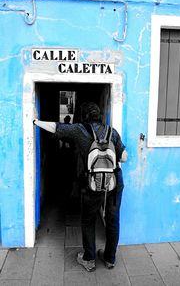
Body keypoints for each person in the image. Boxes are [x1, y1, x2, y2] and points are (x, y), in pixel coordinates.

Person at [33, 102, 127, 272]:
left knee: (88, 220)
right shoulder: (112, 132)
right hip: (114, 182)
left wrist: (35, 121)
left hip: (91, 182)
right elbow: (124, 157)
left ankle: (89, 259)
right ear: (100, 116)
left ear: (84, 116)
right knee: (113, 220)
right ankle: (109, 258)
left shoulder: (79, 130)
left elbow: (56, 127)